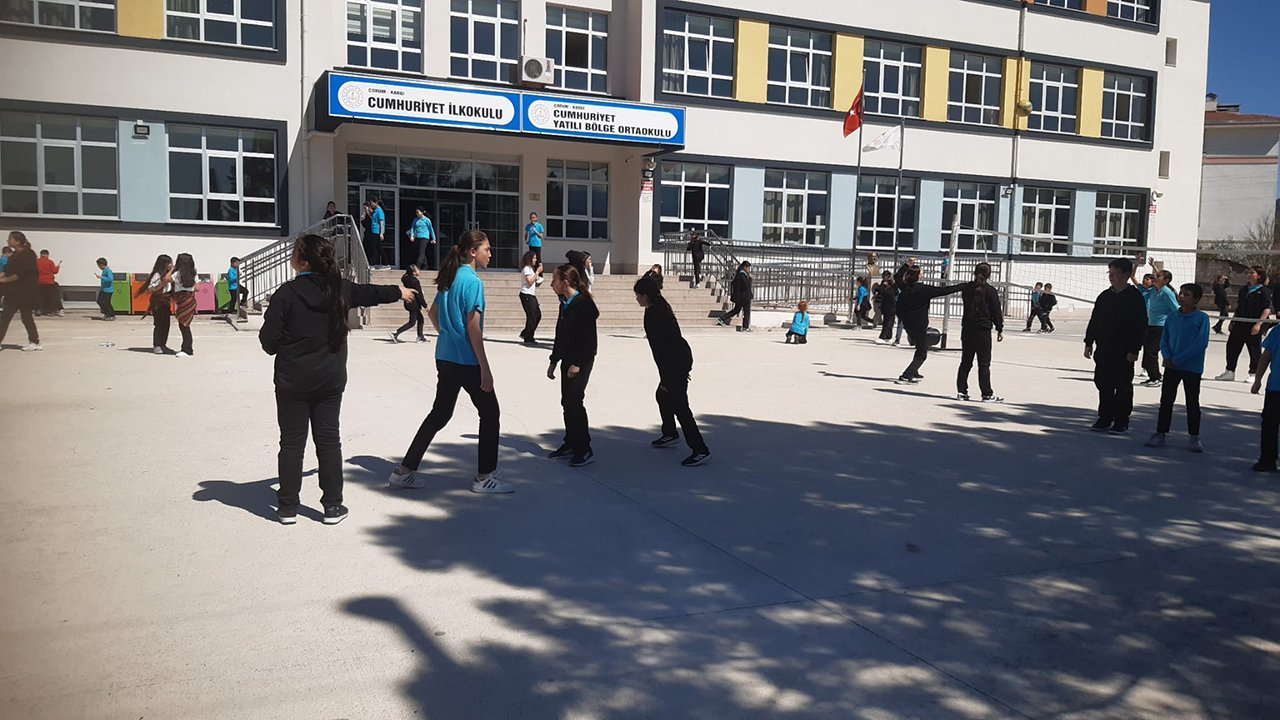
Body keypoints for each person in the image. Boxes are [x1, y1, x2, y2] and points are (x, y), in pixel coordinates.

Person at [260, 233, 417, 525]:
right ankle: (332, 507)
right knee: (329, 442)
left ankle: (287, 508)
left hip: (292, 381)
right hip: (329, 381)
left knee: (291, 444)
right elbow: (370, 293)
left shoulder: (286, 294)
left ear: (303, 261)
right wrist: (400, 291)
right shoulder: (340, 290)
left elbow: (268, 343)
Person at [387, 230, 512, 495]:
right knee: (490, 413)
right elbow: (473, 327)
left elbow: (433, 313)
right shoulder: (473, 282)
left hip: (445, 357)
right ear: (472, 252)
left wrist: (447, 335)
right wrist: (485, 367)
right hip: (466, 360)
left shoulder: (450, 277)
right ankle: (485, 476)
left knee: (440, 414)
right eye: (487, 249)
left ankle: (404, 471)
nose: (490, 254)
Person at [634, 275, 711, 467]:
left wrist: (669, 377)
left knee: (680, 406)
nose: (636, 299)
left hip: (675, 363)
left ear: (645, 296)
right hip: (674, 362)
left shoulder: (656, 312)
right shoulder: (656, 306)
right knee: (662, 396)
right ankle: (670, 433)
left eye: (638, 295)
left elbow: (666, 348)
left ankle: (700, 449)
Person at [1083, 257, 1147, 434]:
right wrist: (1088, 342)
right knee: (1103, 384)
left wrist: (1134, 350)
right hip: (1104, 349)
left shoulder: (1134, 297)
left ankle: (1121, 420)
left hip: (1124, 351)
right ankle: (1104, 418)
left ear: (1126, 274)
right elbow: (1095, 321)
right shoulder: (1104, 296)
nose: (1112, 276)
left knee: (1123, 386)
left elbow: (1140, 325)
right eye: (1110, 273)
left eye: (1116, 273)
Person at [547, 264, 600, 468]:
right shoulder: (565, 304)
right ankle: (570, 443)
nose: (551, 284)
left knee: (575, 402)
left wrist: (578, 363)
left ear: (564, 282)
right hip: (567, 360)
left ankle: (585, 449)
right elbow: (560, 335)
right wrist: (554, 360)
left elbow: (589, 341)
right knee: (566, 402)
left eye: (554, 280)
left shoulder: (583, 305)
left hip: (581, 361)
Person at [1146, 283, 1208, 452]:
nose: (1181, 296)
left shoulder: (1202, 318)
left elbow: (1200, 344)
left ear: (1196, 299)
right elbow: (1164, 339)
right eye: (1180, 293)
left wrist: (1178, 359)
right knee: (1166, 400)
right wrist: (1167, 357)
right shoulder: (1172, 316)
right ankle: (1160, 433)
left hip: (1191, 368)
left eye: (1186, 294)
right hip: (1171, 366)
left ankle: (1194, 437)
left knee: (1192, 402)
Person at [893, 261, 967, 385]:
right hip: (919, 325)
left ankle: (914, 371)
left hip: (908, 323)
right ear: (918, 276)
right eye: (921, 273)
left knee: (919, 346)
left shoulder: (905, 287)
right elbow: (946, 290)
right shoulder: (924, 290)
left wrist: (906, 265)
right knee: (922, 353)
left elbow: (896, 277)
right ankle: (906, 376)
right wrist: (963, 286)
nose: (923, 274)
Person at [956, 262, 1004, 402]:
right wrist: (999, 328)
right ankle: (986, 394)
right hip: (983, 330)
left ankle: (961, 392)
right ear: (989, 274)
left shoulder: (967, 289)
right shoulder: (990, 291)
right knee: (983, 364)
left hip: (967, 328)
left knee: (966, 361)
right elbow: (996, 311)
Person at [1215, 266, 1272, 383]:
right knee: (1232, 347)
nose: (1249, 275)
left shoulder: (1264, 291)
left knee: (1254, 349)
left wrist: (1259, 324)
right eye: (1248, 273)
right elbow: (1239, 307)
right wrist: (1233, 320)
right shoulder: (1244, 290)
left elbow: (1266, 309)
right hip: (1240, 323)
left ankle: (1253, 373)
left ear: (1259, 276)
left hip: (1253, 324)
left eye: (1252, 273)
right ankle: (1230, 371)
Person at [1136, 265, 1179, 388]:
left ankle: (1156, 378)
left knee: (1152, 352)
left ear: (1166, 280)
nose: (1155, 277)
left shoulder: (1167, 293)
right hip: (1150, 325)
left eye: (1158, 276)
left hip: (1161, 327)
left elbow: (1176, 309)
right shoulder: (1154, 290)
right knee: (1147, 351)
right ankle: (1152, 376)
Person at [0, 231, 41, 351]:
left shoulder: (28, 254)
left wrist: (4, 280)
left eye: (10, 239)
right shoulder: (13, 255)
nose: (8, 241)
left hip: (25, 293)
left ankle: (35, 342)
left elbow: (21, 274)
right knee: (4, 318)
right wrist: (2, 276)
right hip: (12, 293)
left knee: (26, 317)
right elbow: (7, 271)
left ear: (17, 241)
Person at [1251, 313, 1280, 471]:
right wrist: (1258, 380)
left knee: (1270, 424)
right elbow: (1266, 357)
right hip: (1276, 387)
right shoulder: (1277, 331)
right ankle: (1267, 460)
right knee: (1269, 425)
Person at [140, 254, 174, 355]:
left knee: (166, 324)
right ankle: (157, 345)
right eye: (169, 263)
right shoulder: (157, 275)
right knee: (159, 324)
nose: (171, 265)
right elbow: (151, 289)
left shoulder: (168, 274)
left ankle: (163, 344)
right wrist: (161, 284)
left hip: (166, 301)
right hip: (158, 301)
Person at [391, 264, 428, 344]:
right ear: (414, 272)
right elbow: (419, 294)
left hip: (408, 301)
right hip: (414, 303)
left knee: (420, 319)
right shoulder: (415, 281)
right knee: (412, 322)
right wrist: (425, 305)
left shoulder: (406, 279)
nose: (419, 271)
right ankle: (396, 333)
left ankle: (420, 336)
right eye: (417, 270)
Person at [171, 253, 198, 357]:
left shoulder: (177, 274)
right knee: (185, 325)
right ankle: (187, 348)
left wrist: (173, 268)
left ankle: (187, 349)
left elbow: (166, 279)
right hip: (190, 300)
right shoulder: (193, 272)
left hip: (182, 299)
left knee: (183, 325)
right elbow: (197, 288)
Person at [718, 261, 753, 331]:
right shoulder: (742, 275)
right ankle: (745, 327)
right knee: (746, 311)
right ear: (745, 267)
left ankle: (722, 318)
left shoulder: (739, 274)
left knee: (736, 310)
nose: (749, 269)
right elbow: (746, 286)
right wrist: (750, 279)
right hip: (744, 297)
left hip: (740, 297)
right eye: (748, 268)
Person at [518, 251, 542, 344]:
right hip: (526, 294)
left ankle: (525, 333)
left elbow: (534, 283)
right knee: (532, 316)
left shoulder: (531, 269)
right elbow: (529, 281)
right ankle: (528, 337)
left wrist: (539, 280)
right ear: (529, 259)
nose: (535, 260)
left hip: (531, 294)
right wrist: (537, 272)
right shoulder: (526, 269)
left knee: (538, 315)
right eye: (534, 258)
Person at [36, 249, 62, 317]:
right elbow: (54, 271)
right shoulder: (50, 262)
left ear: (40, 254)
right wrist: (58, 267)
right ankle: (51, 310)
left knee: (39, 296)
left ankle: (38, 309)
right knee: (52, 296)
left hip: (39, 282)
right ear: (47, 255)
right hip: (49, 283)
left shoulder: (36, 262)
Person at [369, 197, 386, 266]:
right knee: (376, 248)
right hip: (374, 231)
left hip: (377, 232)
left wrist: (381, 233)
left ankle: (385, 263)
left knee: (376, 248)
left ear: (376, 202)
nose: (371, 205)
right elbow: (373, 219)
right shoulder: (375, 211)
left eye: (371, 203)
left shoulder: (379, 211)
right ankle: (373, 263)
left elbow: (381, 222)